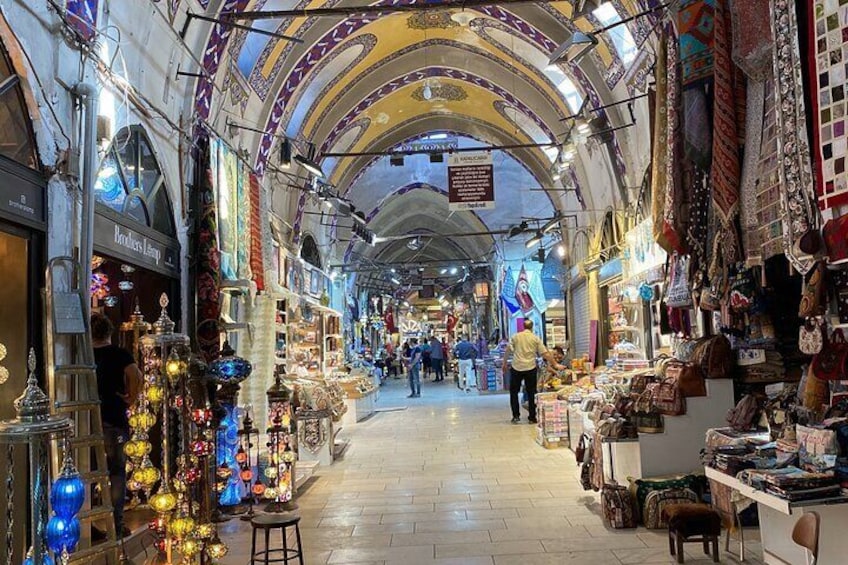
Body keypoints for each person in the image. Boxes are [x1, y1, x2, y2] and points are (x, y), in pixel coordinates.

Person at [91, 312, 143, 536]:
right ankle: (116, 523)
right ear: (109, 331)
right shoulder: (119, 354)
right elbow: (135, 375)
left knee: (87, 472)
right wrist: (131, 397)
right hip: (114, 417)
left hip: (86, 420)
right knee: (116, 472)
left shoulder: (82, 354)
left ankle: (87, 524)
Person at [503, 319, 565, 424]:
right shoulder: (535, 338)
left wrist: (504, 363)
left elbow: (508, 349)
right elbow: (545, 353)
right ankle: (532, 417)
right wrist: (555, 364)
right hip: (530, 367)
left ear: (523, 327)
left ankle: (516, 416)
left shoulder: (516, 337)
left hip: (516, 367)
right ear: (532, 327)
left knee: (514, 392)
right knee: (532, 392)